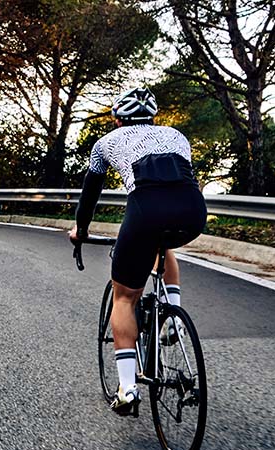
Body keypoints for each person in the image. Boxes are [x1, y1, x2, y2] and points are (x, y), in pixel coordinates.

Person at [69, 88, 207, 416]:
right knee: (163, 245)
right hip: (193, 213)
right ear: (154, 116)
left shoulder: (106, 143)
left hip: (146, 211)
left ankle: (127, 388)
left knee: (125, 298)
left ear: (117, 118)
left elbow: (89, 196)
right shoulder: (177, 135)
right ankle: (173, 318)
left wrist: (81, 231)